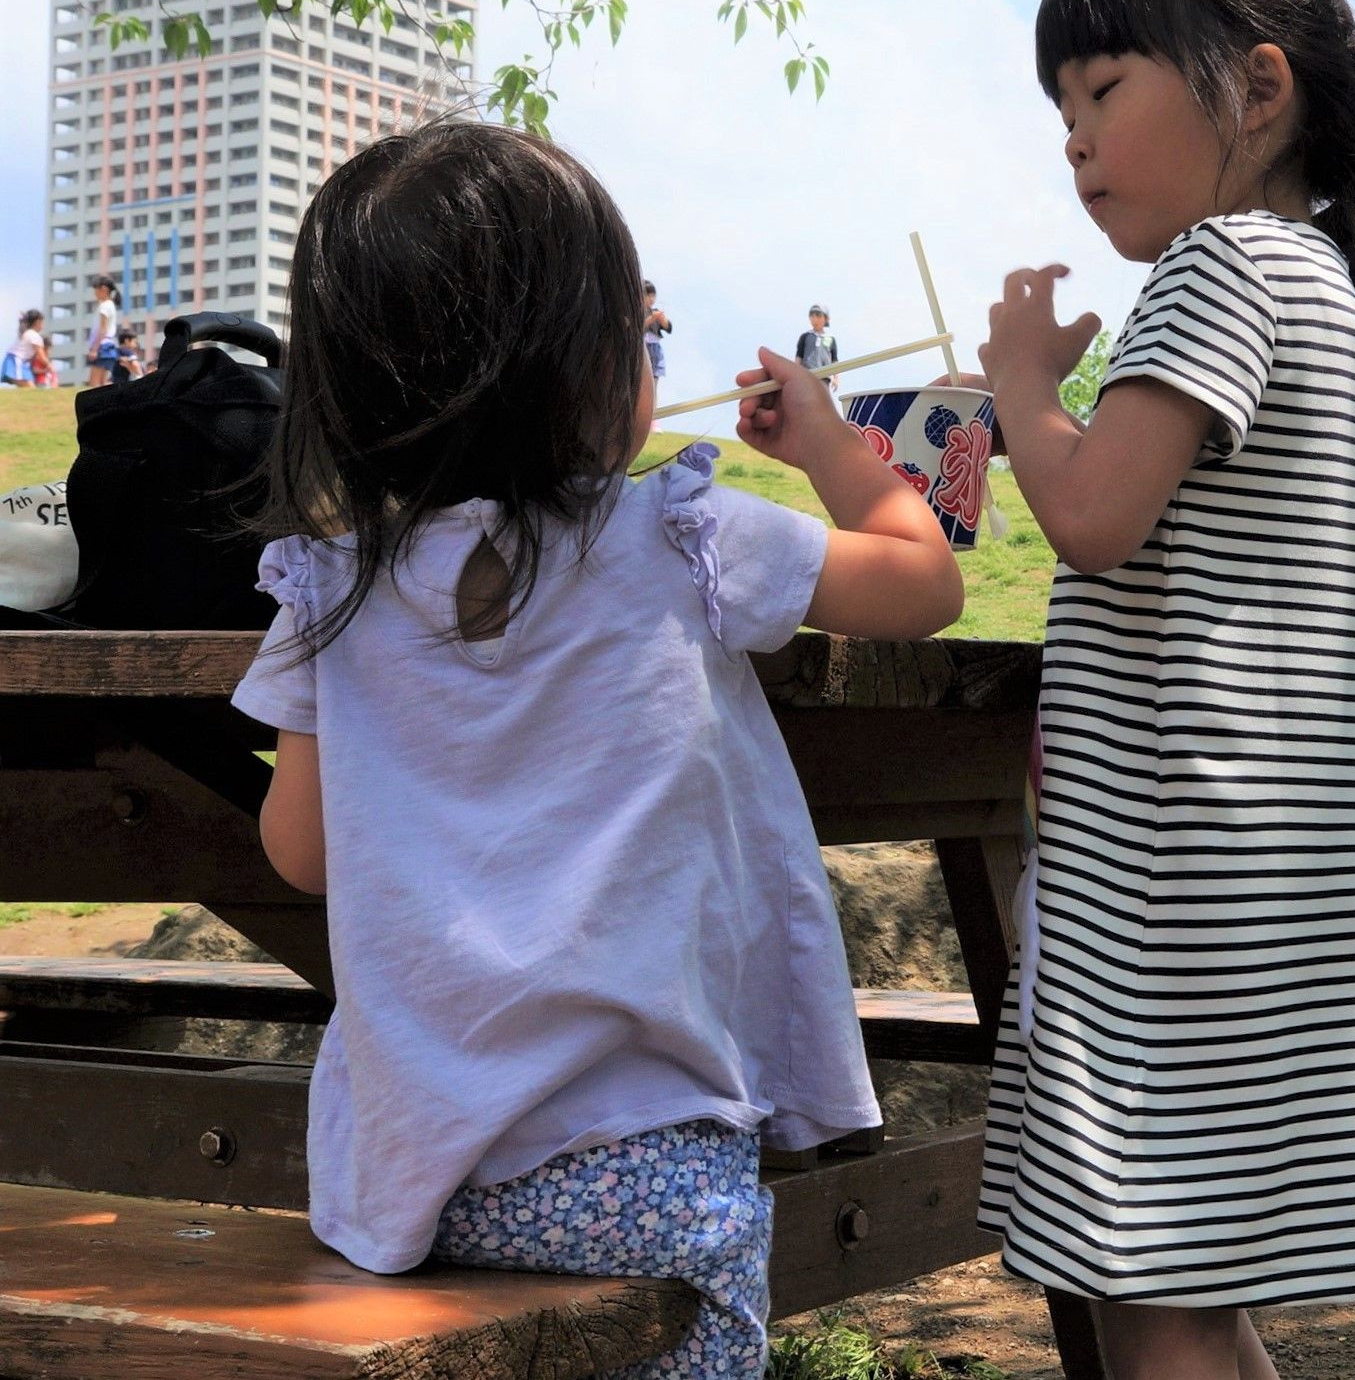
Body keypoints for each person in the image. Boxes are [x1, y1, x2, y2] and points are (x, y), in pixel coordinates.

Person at [230, 120, 965, 1376]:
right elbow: (923, 582)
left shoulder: (331, 583)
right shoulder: (681, 536)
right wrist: (830, 444)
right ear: (576, 368)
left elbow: (299, 850)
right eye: (634, 331)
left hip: (412, 1170)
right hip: (650, 1159)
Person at [955, 0, 1355, 1380]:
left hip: (1179, 873)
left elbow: (1093, 516)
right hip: (1290, 859)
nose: (1074, 139)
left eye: (1103, 89)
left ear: (1255, 87)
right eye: (1060, 110)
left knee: (1143, 1270)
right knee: (1194, 1264)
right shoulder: (1312, 280)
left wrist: (1022, 386)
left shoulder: (1218, 266)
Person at [795, 304, 837, 390]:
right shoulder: (806, 336)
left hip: (825, 376)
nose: (815, 319)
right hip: (807, 375)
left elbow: (834, 360)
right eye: (812, 316)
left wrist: (836, 378)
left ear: (826, 319)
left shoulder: (830, 339)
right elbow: (799, 357)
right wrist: (795, 375)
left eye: (818, 316)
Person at [86, 276, 119, 386]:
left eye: (96, 289)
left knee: (94, 383)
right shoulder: (110, 305)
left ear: (104, 289)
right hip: (109, 345)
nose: (94, 293)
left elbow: (103, 329)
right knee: (103, 383)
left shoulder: (104, 306)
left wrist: (94, 349)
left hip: (102, 346)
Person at [642, 279, 672, 380]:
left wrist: (663, 321)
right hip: (643, 346)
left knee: (655, 375)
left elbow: (669, 328)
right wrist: (652, 319)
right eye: (648, 295)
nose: (652, 299)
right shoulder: (638, 312)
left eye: (653, 296)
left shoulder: (655, 312)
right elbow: (639, 327)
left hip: (655, 348)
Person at [3, 311, 40, 388]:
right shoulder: (31, 334)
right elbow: (39, 354)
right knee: (27, 385)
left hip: (22, 362)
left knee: (30, 386)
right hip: (17, 360)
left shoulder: (27, 333)